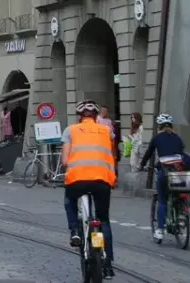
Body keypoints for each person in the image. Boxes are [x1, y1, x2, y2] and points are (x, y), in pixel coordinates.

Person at [62, 100, 116, 278]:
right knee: (103, 220)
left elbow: (64, 161)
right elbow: (112, 154)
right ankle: (107, 265)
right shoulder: (107, 130)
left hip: (77, 180)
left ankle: (75, 231)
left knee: (69, 200)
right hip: (102, 180)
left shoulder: (71, 130)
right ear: (96, 116)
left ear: (80, 117)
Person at [136, 113, 190, 242]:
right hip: (180, 173)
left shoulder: (157, 138)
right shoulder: (178, 138)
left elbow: (148, 154)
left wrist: (141, 165)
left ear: (159, 126)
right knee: (180, 193)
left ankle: (160, 230)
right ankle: (181, 215)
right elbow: (181, 153)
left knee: (162, 200)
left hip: (165, 172)